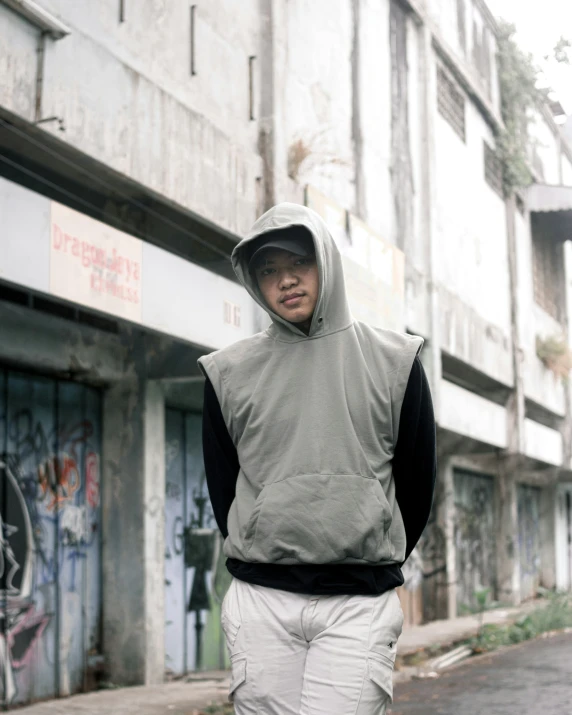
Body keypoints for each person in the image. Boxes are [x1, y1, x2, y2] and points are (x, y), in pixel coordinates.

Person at [198, 202, 436, 715]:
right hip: (260, 598)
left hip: (358, 600)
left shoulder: (395, 361)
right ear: (253, 282)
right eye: (268, 270)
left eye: (297, 264)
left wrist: (366, 530)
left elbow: (418, 484)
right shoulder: (228, 374)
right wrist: (265, 527)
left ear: (325, 262)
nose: (285, 281)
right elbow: (224, 488)